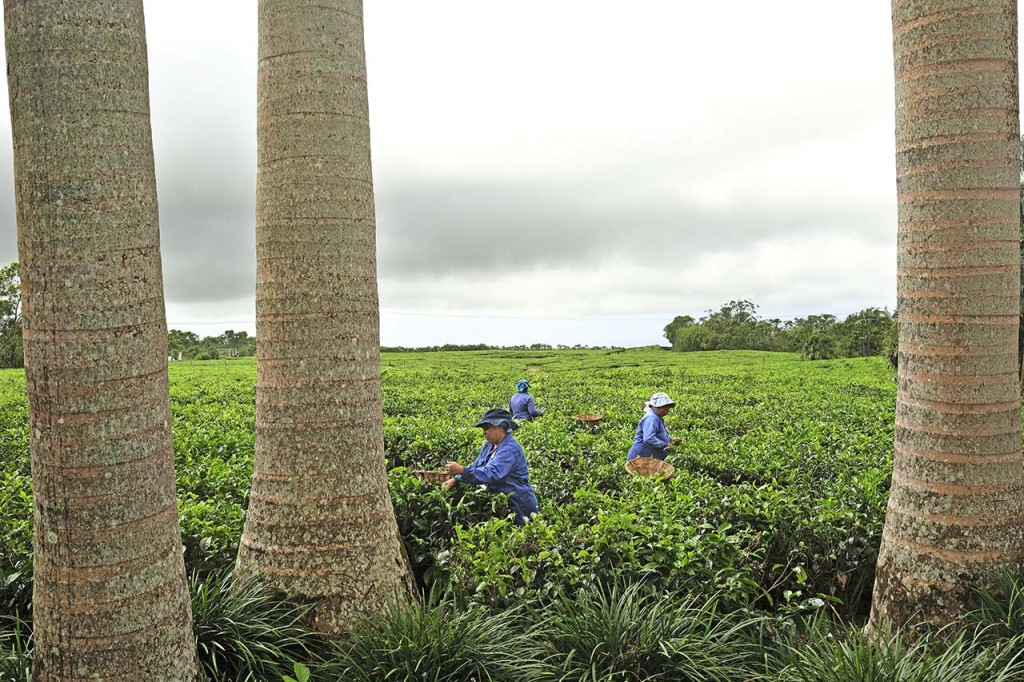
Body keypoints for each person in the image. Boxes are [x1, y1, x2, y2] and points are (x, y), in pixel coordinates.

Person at [443, 408, 539, 526]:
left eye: (487, 428)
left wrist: (462, 470)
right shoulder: (489, 445)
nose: (484, 432)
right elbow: (477, 465)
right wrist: (456, 478)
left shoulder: (510, 449)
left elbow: (491, 473)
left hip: (518, 504)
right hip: (501, 504)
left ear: (500, 426)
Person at [627, 392, 682, 462]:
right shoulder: (651, 418)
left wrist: (671, 440)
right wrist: (666, 445)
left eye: (668, 407)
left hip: (650, 458)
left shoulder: (658, 417)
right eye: (663, 406)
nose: (667, 409)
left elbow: (659, 435)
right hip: (641, 458)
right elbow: (649, 438)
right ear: (654, 406)